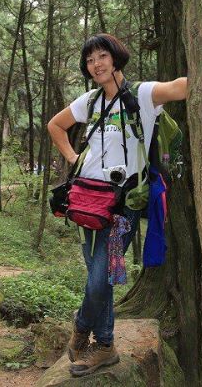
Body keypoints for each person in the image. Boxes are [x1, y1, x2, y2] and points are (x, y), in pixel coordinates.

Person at [47, 34, 187, 377]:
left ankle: (82, 325)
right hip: (87, 203)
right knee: (103, 277)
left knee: (102, 276)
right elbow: (55, 125)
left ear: (116, 58)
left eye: (102, 56)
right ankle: (106, 345)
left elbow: (180, 87)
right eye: (90, 60)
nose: (96, 64)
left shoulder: (142, 94)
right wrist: (74, 158)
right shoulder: (91, 101)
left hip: (124, 206)